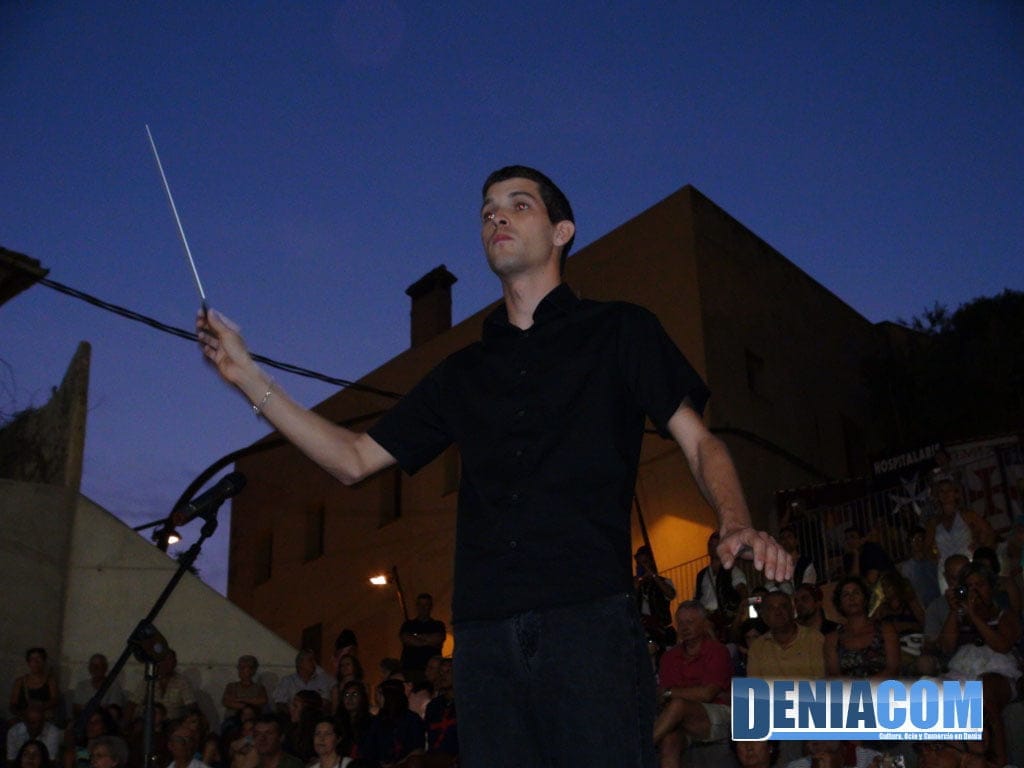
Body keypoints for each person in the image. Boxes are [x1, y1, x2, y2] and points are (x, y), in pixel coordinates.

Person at [196, 164, 792, 767]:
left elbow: (699, 441)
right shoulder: (463, 372)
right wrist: (249, 377)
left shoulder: (620, 330)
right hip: (484, 639)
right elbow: (352, 459)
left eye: (517, 204)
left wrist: (736, 519)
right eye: (486, 211)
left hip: (587, 622)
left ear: (562, 231)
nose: (496, 217)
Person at [940, 562, 1021, 767]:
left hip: (999, 671)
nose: (975, 591)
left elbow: (1002, 645)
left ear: (991, 587)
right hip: (963, 669)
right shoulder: (959, 615)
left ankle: (998, 760)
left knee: (982, 691)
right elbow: (946, 646)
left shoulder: (1005, 615)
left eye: (980, 584)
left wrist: (974, 616)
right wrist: (954, 612)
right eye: (970, 586)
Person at [653, 602, 733, 768]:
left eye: (690, 622)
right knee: (669, 741)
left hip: (716, 711)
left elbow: (707, 694)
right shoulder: (669, 657)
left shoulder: (717, 651)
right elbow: (663, 695)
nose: (684, 627)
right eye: (681, 623)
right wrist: (672, 693)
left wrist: (671, 693)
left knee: (678, 705)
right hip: (680, 719)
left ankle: (637, 749)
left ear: (703, 624)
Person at [925, 473, 995, 591]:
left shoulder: (967, 515)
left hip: (968, 566)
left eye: (949, 490)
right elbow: (926, 547)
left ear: (956, 493)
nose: (946, 494)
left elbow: (989, 532)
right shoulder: (934, 522)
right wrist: (934, 558)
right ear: (938, 495)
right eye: (942, 491)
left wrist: (981, 547)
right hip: (945, 569)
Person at [824, 577, 899, 679]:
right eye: (846, 595)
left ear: (865, 599)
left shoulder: (886, 630)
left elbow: (893, 670)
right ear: (840, 604)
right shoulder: (832, 639)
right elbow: (834, 677)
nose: (852, 598)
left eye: (856, 593)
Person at [746, 591, 824, 679]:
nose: (778, 612)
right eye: (771, 608)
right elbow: (755, 688)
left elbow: (822, 684)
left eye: (783, 606)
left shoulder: (814, 638)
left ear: (792, 611)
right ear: (764, 617)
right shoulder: (757, 648)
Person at [359, 680, 424, 767]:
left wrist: (396, 765)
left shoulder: (412, 720)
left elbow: (417, 750)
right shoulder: (376, 721)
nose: (377, 698)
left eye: (381, 693)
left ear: (390, 695)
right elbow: (368, 752)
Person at [634, 545, 678, 654]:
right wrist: (638, 583)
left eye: (645, 563)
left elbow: (671, 594)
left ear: (651, 563)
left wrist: (654, 576)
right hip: (643, 631)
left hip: (661, 631)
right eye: (639, 564)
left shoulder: (663, 581)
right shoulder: (636, 584)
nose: (642, 567)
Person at [398, 595, 446, 682]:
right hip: (410, 669)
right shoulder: (408, 624)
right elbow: (406, 638)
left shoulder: (438, 625)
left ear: (430, 606)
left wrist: (416, 637)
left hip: (432, 670)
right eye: (420, 605)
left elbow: (438, 638)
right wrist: (428, 639)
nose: (423, 608)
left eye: (426, 605)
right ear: (417, 606)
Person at [270, 651, 333, 716]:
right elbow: (279, 703)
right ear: (300, 663)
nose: (314, 663)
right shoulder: (287, 681)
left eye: (314, 660)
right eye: (310, 660)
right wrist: (293, 713)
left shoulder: (321, 681)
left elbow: (326, 703)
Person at [9, 647, 60, 720]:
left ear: (44, 661)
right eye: (32, 659)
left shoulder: (50, 681)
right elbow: (12, 704)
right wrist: (23, 714)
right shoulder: (20, 682)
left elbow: (55, 700)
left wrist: (39, 708)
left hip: (44, 720)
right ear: (28, 662)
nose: (35, 662)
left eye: (39, 659)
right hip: (23, 720)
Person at [221, 656, 268, 728]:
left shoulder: (259, 687)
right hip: (233, 722)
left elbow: (262, 700)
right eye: (240, 667)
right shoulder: (231, 686)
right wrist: (250, 704)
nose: (241, 670)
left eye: (244, 668)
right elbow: (226, 701)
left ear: (253, 670)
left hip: (253, 722)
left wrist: (240, 700)